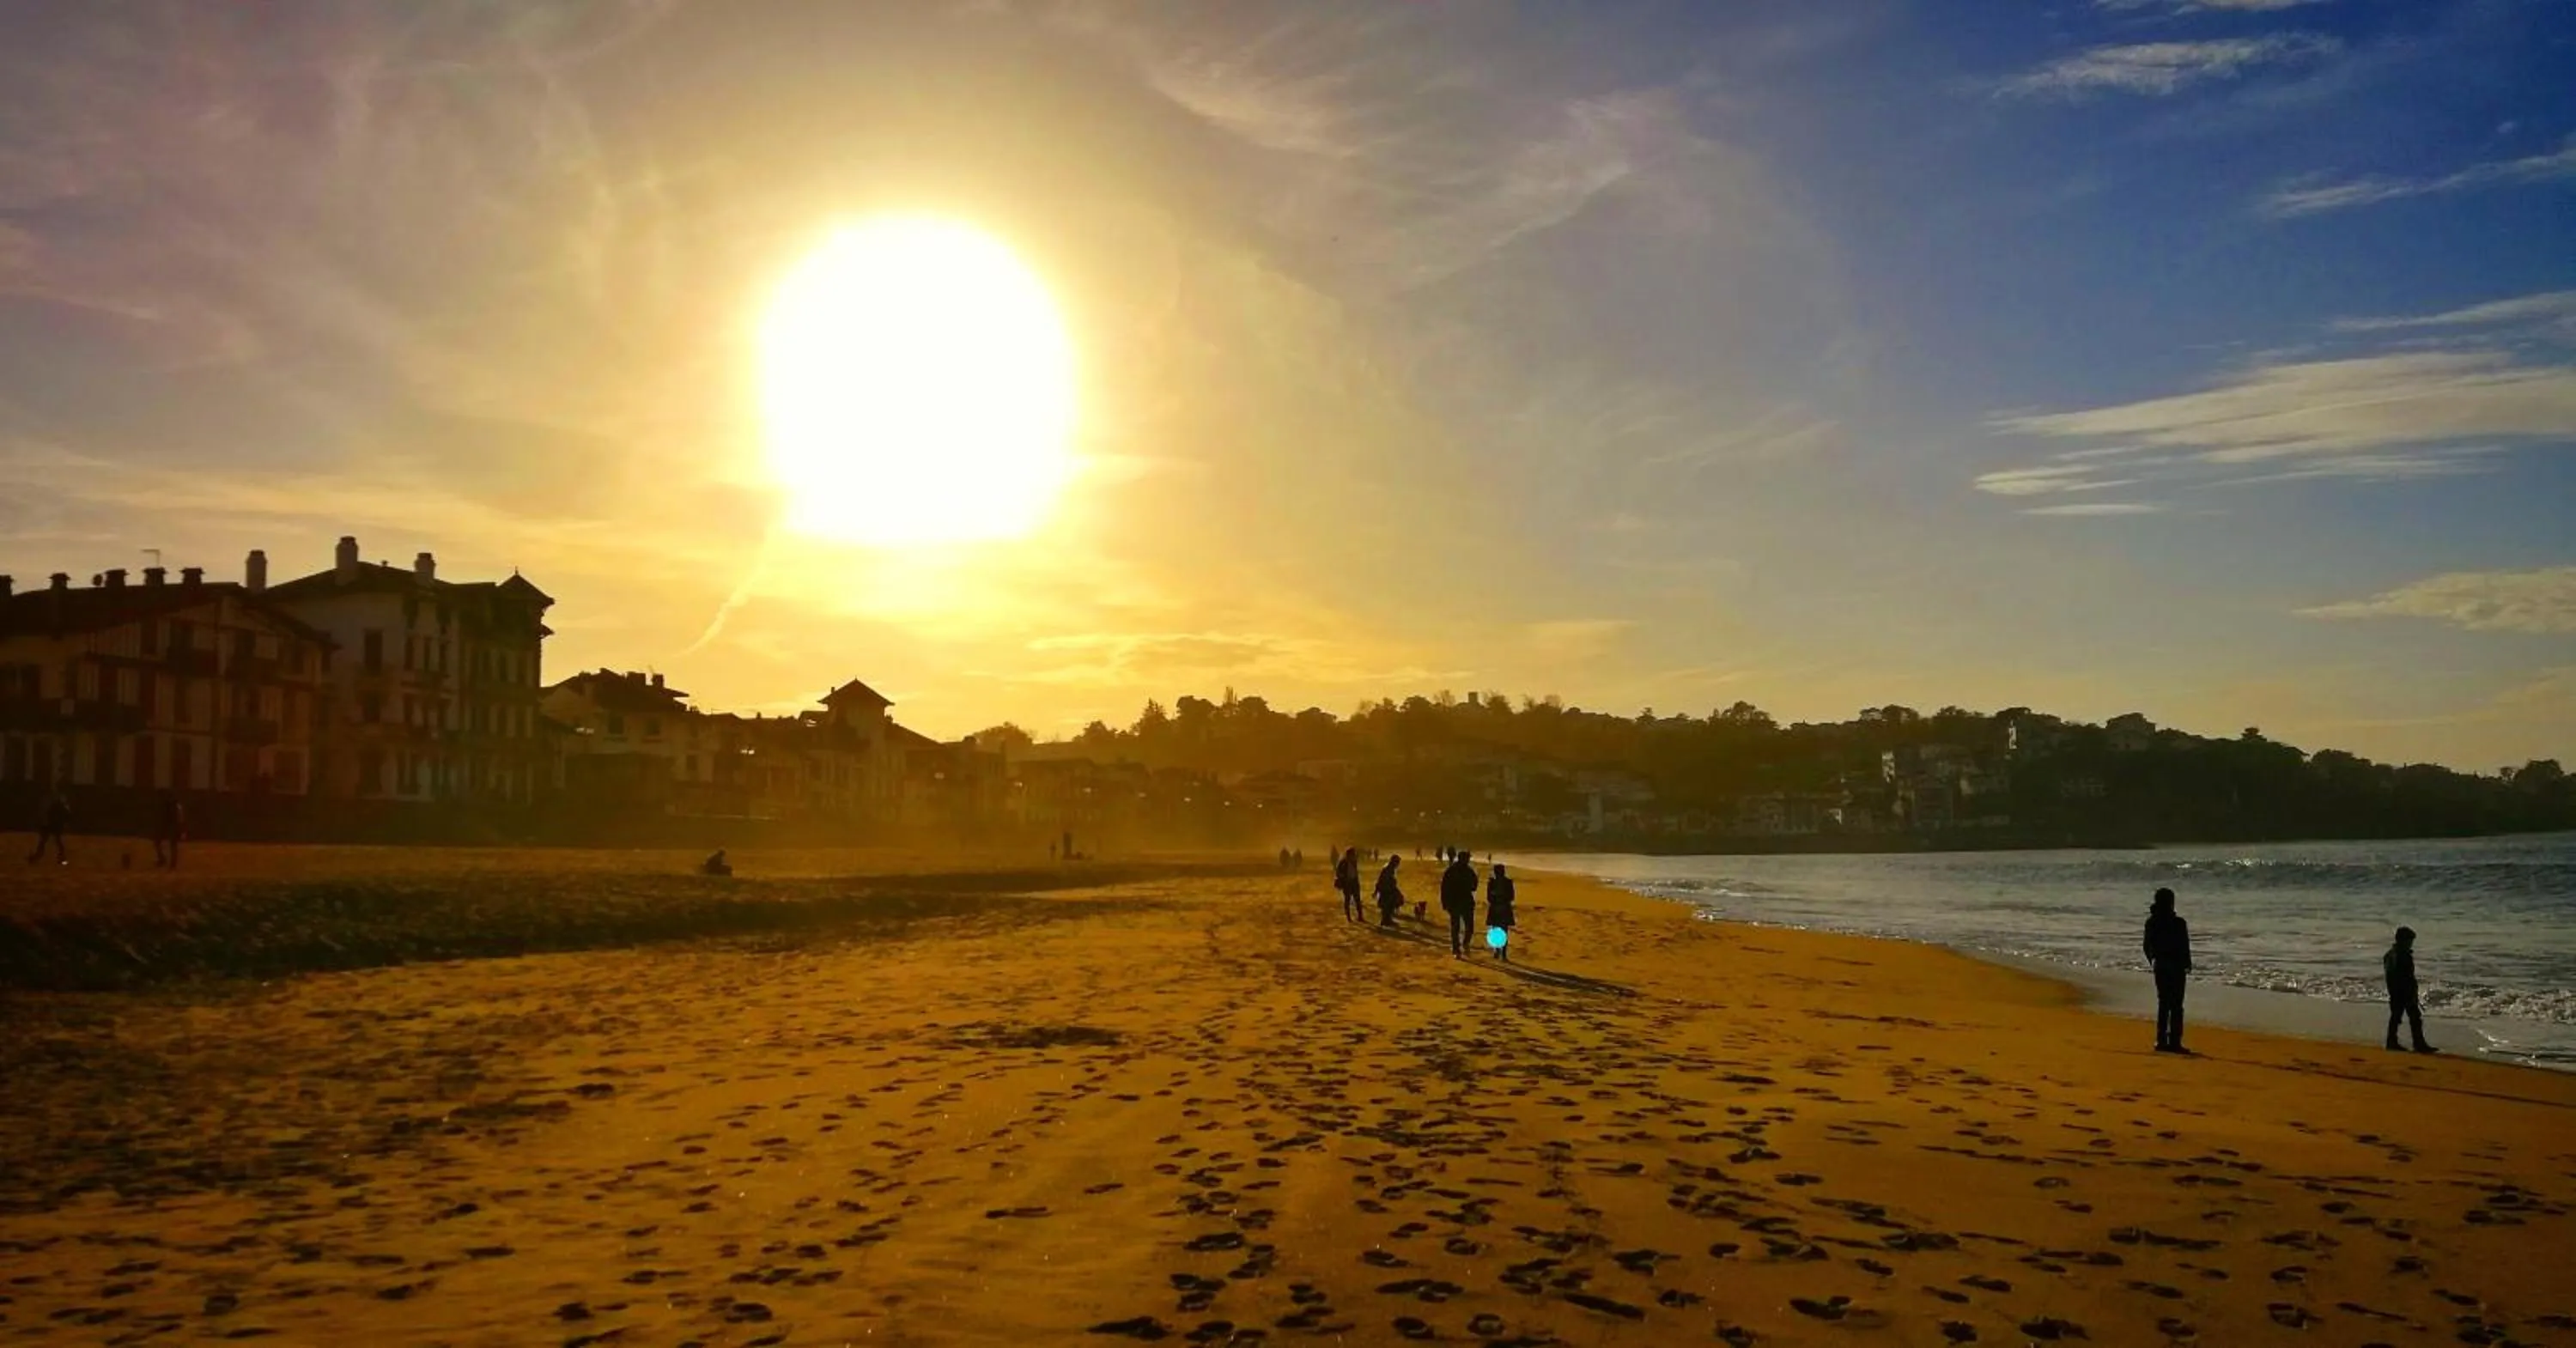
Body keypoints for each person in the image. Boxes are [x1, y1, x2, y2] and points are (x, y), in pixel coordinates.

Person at [2143, 887, 2192, 1054]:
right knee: (2176, 1005)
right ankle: (2175, 1041)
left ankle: (2161, 1040)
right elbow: (2185, 946)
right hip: (2176, 966)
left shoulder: (2152, 922)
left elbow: (2146, 945)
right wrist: (2188, 963)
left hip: (2162, 965)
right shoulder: (2179, 923)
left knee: (2164, 1003)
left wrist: (2153, 960)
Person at [2385, 926, 2437, 1054]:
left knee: (2396, 1017)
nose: (2411, 944)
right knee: (2414, 1018)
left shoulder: (2390, 954)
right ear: (2403, 940)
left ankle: (2392, 1041)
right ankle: (2418, 1044)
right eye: (2409, 941)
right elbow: (2405, 976)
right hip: (2404, 991)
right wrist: (2411, 991)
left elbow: (2391, 975)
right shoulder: (2402, 955)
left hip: (2395, 990)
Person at [1440, 848, 1480, 958]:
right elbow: (1444, 887)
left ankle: (1465, 944)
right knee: (1456, 927)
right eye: (1467, 859)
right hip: (1455, 902)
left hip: (1465, 902)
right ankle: (1456, 949)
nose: (1467, 861)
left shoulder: (1468, 871)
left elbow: (1474, 886)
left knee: (1469, 927)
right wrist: (1445, 902)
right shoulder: (1452, 871)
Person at [26, 786, 69, 865]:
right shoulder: (59, 800)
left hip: (51, 823)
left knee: (46, 841)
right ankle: (62, 858)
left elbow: (47, 811)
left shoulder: (52, 800)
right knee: (55, 841)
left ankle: (37, 857)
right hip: (54, 823)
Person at [1485, 862, 1517, 962]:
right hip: (1497, 908)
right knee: (1497, 931)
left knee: (1503, 932)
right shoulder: (1492, 883)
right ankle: (1498, 951)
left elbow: (1511, 897)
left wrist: (1500, 898)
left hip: (1502, 908)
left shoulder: (1507, 882)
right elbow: (1489, 898)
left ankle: (1503, 953)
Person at [152, 793, 185, 870]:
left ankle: (165, 860)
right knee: (171, 845)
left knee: (165, 843)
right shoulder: (176, 807)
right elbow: (180, 818)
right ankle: (168, 861)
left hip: (170, 826)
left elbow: (179, 818)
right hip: (170, 826)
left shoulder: (172, 806)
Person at [1373, 853, 1405, 928]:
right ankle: (1385, 921)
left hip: (1389, 889)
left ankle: (1388, 920)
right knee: (1387, 906)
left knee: (1390, 905)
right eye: (1397, 862)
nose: (1398, 865)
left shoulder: (1391, 869)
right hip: (1386, 890)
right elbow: (1382, 880)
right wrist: (1377, 891)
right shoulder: (1388, 869)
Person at [1335, 847, 1365, 923]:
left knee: (1357, 900)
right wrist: (1344, 878)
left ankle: (1360, 916)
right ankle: (1349, 917)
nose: (1354, 855)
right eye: (1353, 854)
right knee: (1347, 900)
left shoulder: (1353, 861)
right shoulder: (1343, 862)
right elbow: (1338, 873)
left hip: (1354, 882)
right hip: (1347, 883)